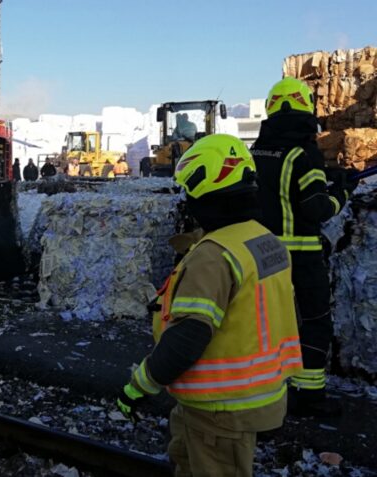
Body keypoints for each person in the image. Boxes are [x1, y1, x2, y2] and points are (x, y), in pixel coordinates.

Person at [116, 134, 302, 477]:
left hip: (219, 406)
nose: (186, 201)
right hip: (257, 394)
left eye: (189, 192)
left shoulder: (214, 256)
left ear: (206, 192)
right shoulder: (264, 240)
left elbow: (187, 338)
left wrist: (137, 387)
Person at [251, 77, 357, 417]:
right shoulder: (303, 154)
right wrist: (341, 192)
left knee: (267, 323)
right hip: (300, 254)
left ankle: (266, 385)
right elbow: (316, 208)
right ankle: (309, 394)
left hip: (259, 254)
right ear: (304, 109)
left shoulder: (255, 152)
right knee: (314, 321)